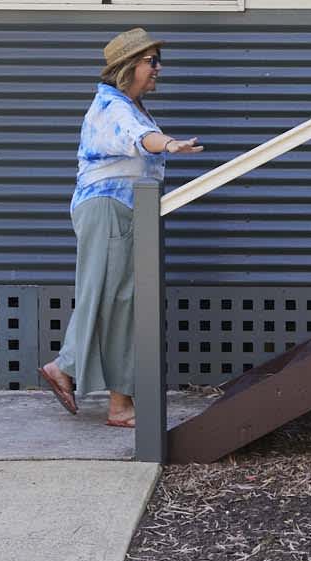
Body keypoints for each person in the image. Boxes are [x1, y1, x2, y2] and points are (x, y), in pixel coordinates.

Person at [40, 28, 201, 429]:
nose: (158, 69)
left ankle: (116, 401)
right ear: (128, 68)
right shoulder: (113, 107)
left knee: (122, 301)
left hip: (124, 211)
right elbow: (139, 139)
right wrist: (169, 144)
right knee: (111, 297)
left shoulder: (131, 104)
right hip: (108, 209)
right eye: (151, 61)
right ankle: (68, 368)